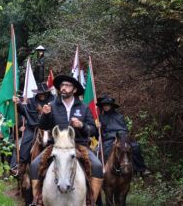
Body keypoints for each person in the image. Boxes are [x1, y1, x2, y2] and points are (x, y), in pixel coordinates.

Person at [29, 75, 103, 205]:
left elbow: (93, 131)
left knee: (97, 166)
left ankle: (92, 201)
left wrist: (82, 125)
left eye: (67, 85)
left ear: (74, 90)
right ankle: (37, 200)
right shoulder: (52, 105)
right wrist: (45, 115)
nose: (63, 88)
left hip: (79, 145)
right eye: (62, 85)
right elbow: (43, 126)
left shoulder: (84, 108)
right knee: (34, 165)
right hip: (56, 145)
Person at [97, 94, 149, 176]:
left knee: (135, 147)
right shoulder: (100, 117)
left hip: (121, 137)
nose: (106, 107)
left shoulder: (119, 116)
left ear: (111, 106)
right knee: (105, 150)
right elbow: (98, 133)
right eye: (104, 105)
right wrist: (98, 127)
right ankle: (106, 172)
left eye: (107, 105)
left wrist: (121, 136)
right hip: (108, 139)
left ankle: (140, 169)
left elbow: (124, 129)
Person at [10, 82, 55, 176]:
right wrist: (18, 103)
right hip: (33, 127)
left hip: (51, 128)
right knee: (25, 143)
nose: (41, 94)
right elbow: (24, 111)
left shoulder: (54, 100)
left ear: (47, 92)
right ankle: (21, 166)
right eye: (40, 93)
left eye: (43, 93)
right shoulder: (32, 101)